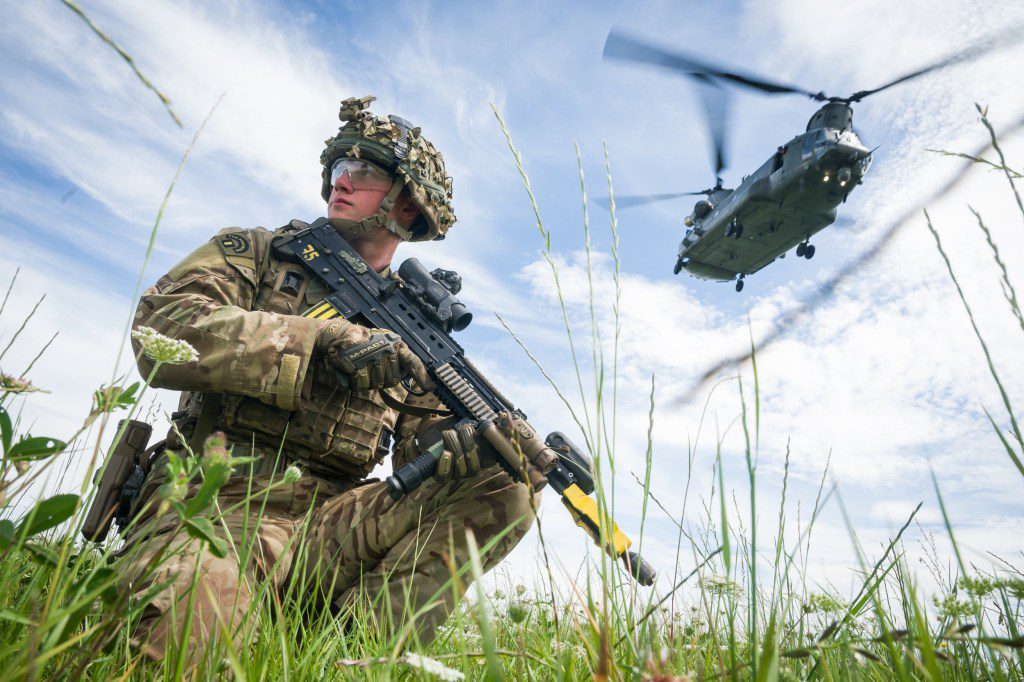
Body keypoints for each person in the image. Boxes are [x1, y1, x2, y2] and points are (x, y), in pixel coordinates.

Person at [119, 96, 549, 664]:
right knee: (190, 640)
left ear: (409, 206)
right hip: (212, 503)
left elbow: (421, 455)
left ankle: (347, 662)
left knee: (506, 485)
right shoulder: (259, 255)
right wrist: (315, 339)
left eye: (364, 173)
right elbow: (158, 333)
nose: (340, 183)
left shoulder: (415, 331)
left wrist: (471, 448)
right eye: (338, 170)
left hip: (331, 528)